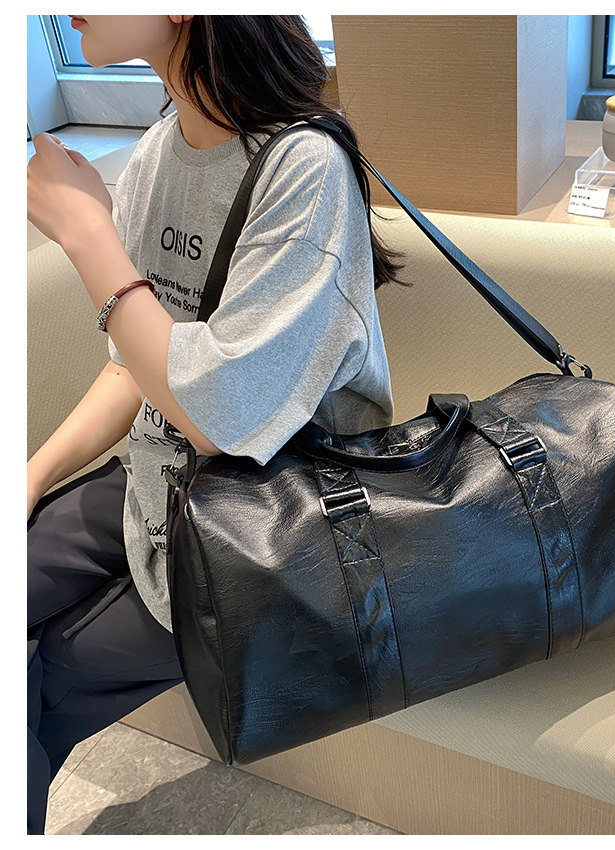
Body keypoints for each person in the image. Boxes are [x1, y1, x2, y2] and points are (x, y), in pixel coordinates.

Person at [27, 15, 404, 835]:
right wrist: (28, 476)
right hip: (153, 483)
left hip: (264, 530)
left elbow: (218, 421)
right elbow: (133, 368)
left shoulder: (305, 167)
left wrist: (89, 234)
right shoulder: (160, 150)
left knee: (34, 680)